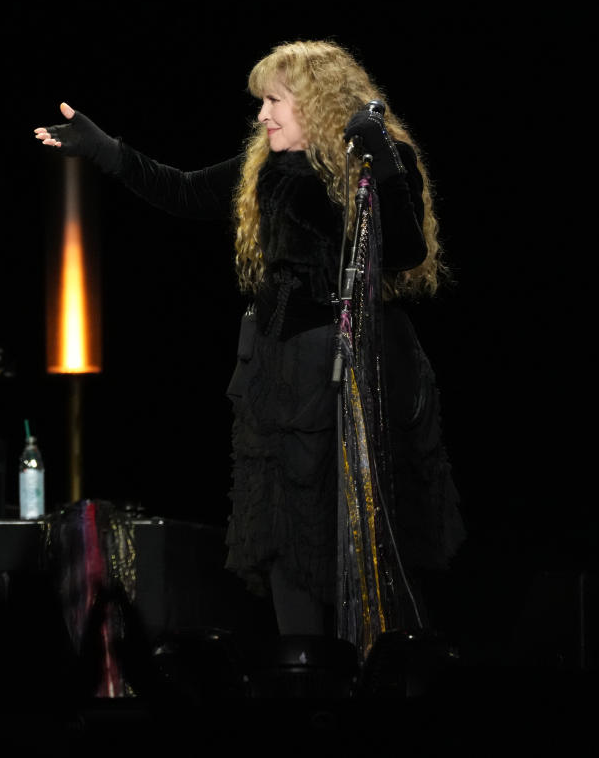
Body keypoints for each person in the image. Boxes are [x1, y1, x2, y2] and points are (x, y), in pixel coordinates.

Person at [34, 40, 464, 637]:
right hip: (283, 369)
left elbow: (406, 248)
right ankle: (305, 672)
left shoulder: (374, 163)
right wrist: (106, 151)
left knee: (365, 524)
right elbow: (181, 190)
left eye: (273, 101)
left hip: (359, 366)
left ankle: (382, 676)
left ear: (314, 103)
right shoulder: (265, 168)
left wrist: (377, 160)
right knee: (288, 530)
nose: (261, 116)